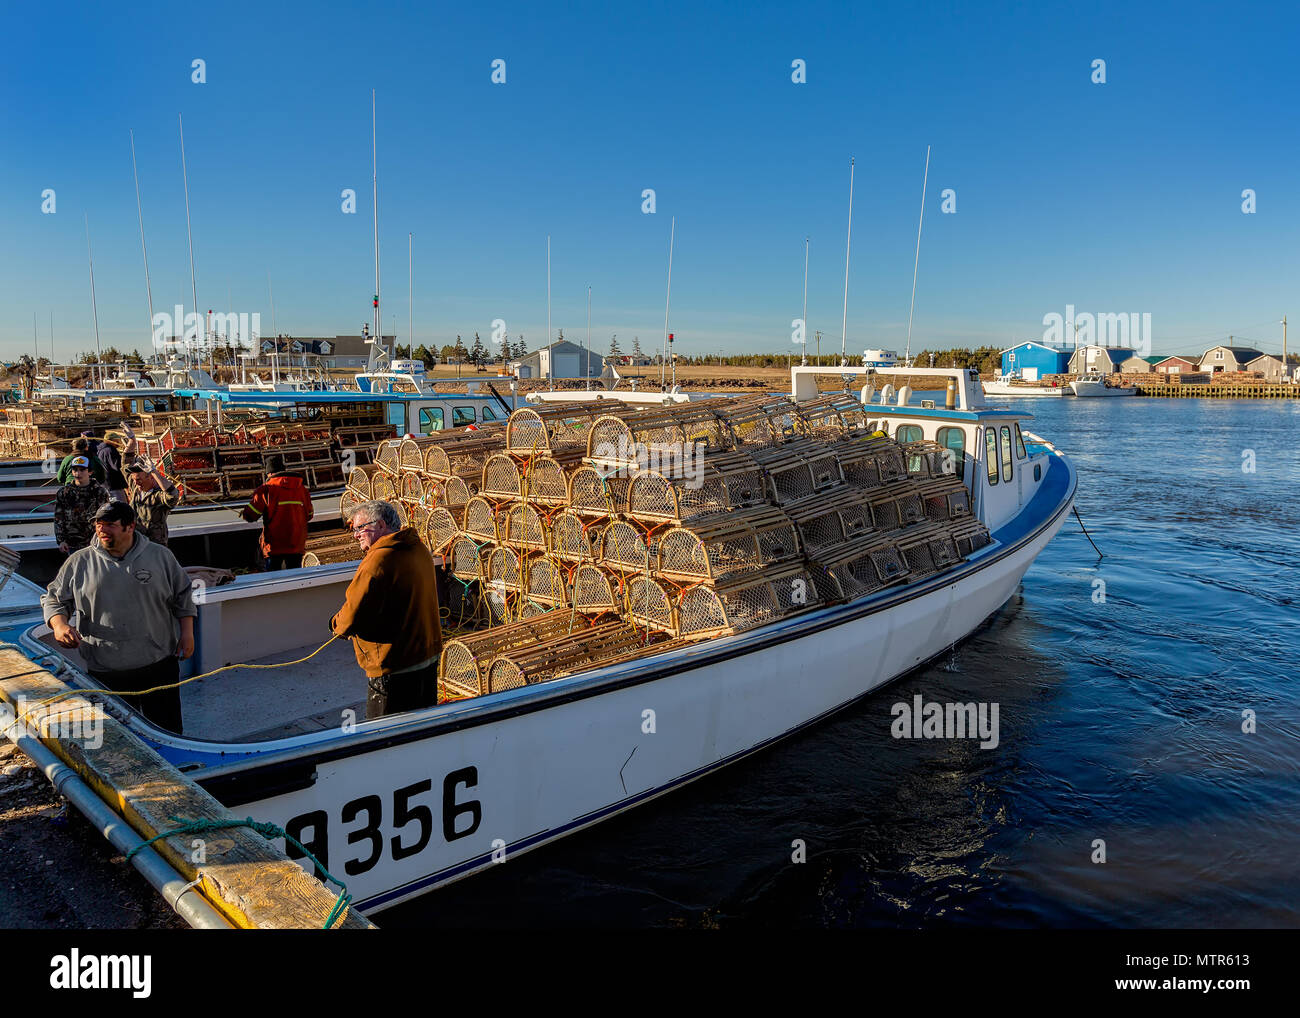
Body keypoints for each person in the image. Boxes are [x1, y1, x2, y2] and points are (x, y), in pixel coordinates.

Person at [42, 501, 196, 733]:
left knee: (168, 728)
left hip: (158, 664)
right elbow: (54, 599)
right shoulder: (79, 562)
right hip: (106, 671)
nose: (101, 530)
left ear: (130, 526)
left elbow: (183, 595)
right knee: (118, 735)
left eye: (110, 525)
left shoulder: (160, 556)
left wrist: (187, 633)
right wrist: (59, 624)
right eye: (98, 524)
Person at [330, 500, 442, 720]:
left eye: (360, 528)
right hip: (426, 656)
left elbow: (352, 613)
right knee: (422, 727)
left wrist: (335, 625)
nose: (356, 535)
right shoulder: (418, 548)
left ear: (380, 525)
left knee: (385, 736)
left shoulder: (379, 560)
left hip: (394, 665)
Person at [240, 455, 313, 569]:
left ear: (268, 473)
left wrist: (244, 513)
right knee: (296, 578)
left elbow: (251, 516)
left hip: (274, 546)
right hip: (296, 544)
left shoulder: (266, 490)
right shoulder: (302, 489)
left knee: (273, 579)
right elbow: (309, 515)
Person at [54, 456, 110, 554]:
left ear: (90, 472)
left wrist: (105, 538)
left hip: (95, 542)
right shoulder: (64, 493)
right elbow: (59, 518)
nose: (78, 473)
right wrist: (61, 540)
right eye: (75, 470)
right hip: (72, 544)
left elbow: (105, 518)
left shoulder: (100, 492)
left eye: (82, 470)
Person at [126, 456, 182, 546]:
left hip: (154, 545)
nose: (136, 483)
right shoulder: (136, 489)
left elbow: (172, 495)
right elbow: (126, 461)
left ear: (151, 477)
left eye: (139, 480)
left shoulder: (158, 496)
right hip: (136, 543)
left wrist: (153, 471)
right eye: (134, 480)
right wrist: (131, 441)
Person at [97, 430, 129, 501]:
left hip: (106, 484)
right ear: (111, 441)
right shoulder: (110, 451)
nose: (118, 442)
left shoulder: (101, 450)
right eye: (117, 440)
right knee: (121, 507)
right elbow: (118, 466)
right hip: (114, 486)